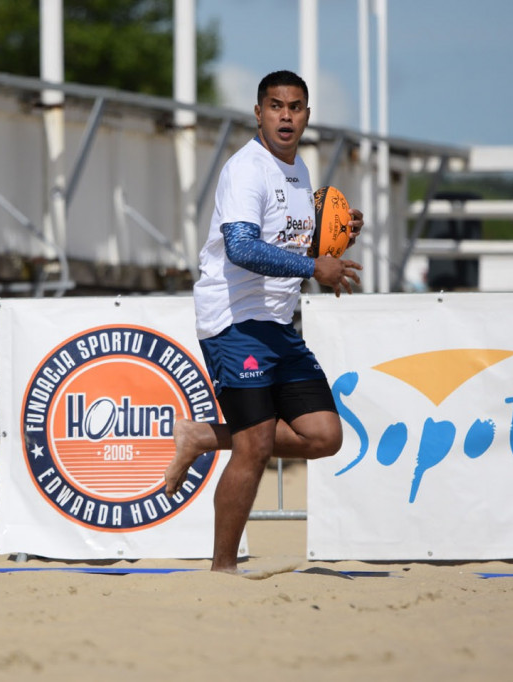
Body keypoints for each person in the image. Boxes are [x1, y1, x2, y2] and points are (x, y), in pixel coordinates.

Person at [163, 70, 364, 573]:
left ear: (307, 116)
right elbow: (242, 246)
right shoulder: (246, 169)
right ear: (259, 113)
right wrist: (313, 265)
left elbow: (294, 242)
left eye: (295, 107)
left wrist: (334, 239)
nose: (286, 116)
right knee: (252, 447)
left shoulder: (300, 173)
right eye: (276, 106)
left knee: (324, 435)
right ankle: (223, 570)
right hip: (232, 319)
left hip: (276, 322)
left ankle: (202, 436)